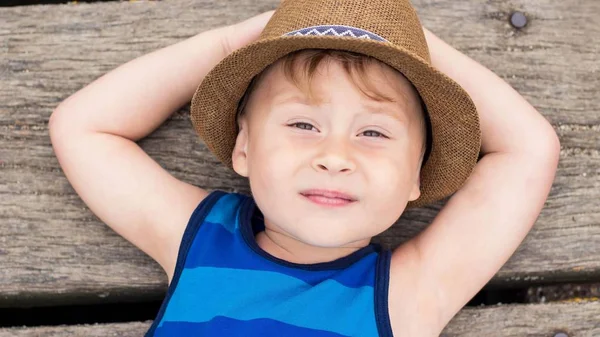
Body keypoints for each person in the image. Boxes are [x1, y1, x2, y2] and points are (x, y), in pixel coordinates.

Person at [48, 1, 560, 336]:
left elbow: (528, 150)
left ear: (415, 177)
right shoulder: (201, 237)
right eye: (302, 125)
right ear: (244, 147)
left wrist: (416, 45)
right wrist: (230, 45)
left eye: (374, 133)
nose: (335, 157)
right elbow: (83, 128)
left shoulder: (408, 293)